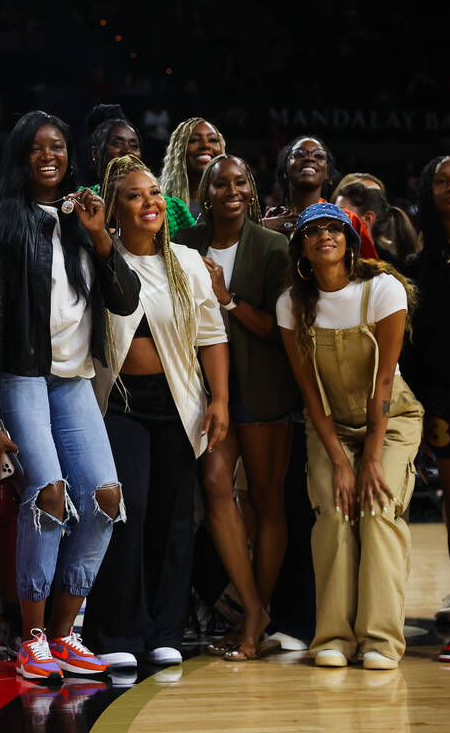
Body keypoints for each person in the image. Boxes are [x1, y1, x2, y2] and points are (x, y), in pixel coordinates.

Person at [0, 112, 140, 681]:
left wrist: (98, 235)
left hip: (74, 378)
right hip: (20, 376)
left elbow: (124, 299)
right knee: (47, 494)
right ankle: (31, 637)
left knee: (107, 497)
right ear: (20, 155)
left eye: (58, 147)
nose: (49, 155)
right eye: (38, 147)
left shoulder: (80, 218)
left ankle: (65, 634)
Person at [83, 154, 229, 669]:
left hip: (180, 402)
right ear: (113, 210)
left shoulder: (187, 262)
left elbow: (212, 337)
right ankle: (115, 630)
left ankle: (165, 629)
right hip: (118, 403)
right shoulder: (98, 258)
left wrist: (221, 400)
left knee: (173, 516)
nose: (149, 202)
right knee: (130, 508)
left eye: (153, 194)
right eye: (133, 196)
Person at [277, 203, 421, 670]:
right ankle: (334, 636)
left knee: (378, 507)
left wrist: (372, 460)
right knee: (335, 511)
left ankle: (380, 639)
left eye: (334, 229)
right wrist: (340, 461)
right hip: (331, 425)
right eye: (313, 231)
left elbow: (382, 384)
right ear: (301, 248)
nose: (325, 236)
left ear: (350, 241)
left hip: (390, 418)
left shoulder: (382, 290)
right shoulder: (291, 304)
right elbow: (309, 394)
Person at [174, 155, 297, 659]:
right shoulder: (185, 244)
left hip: (264, 391)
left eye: (240, 182)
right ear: (204, 193)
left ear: (251, 192)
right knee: (216, 487)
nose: (230, 189)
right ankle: (253, 610)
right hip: (207, 390)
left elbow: (278, 327)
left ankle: (254, 617)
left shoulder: (273, 247)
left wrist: (227, 298)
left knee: (267, 502)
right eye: (219, 183)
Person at [405, 154, 450, 662]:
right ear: (428, 192)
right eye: (443, 180)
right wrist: (424, 411)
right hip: (447, 398)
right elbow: (417, 352)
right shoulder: (417, 269)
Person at [83, 105, 193, 236]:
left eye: (134, 146)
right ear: (95, 153)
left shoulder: (174, 209)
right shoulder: (83, 203)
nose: (128, 151)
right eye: (117, 144)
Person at [262, 136, 378, 260]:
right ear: (285, 169)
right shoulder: (269, 220)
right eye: (299, 154)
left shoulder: (348, 220)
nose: (309, 158)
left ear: (327, 172)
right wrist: (260, 229)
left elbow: (372, 273)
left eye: (319, 156)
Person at [333, 181, 419, 266]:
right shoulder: (331, 261)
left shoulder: (392, 272)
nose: (332, 219)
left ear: (367, 219)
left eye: (341, 213)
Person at [158, 117, 225, 218]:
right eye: (194, 140)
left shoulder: (232, 202)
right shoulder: (160, 203)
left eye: (212, 140)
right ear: (178, 151)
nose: (205, 145)